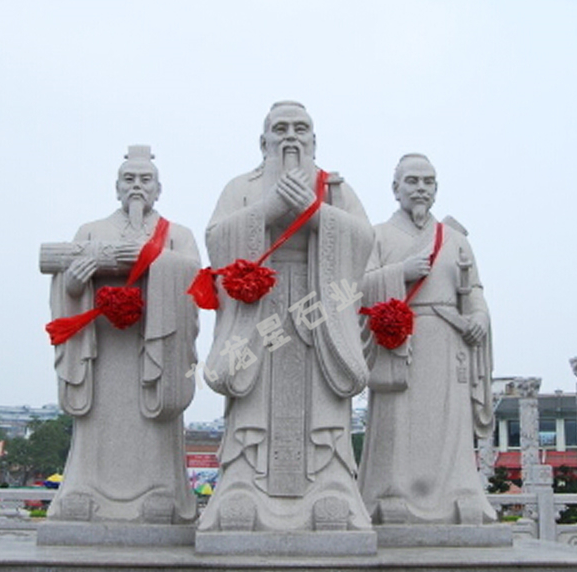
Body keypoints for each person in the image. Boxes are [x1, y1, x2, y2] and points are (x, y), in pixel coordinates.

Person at [197, 102, 374, 533]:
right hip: (259, 310)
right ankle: (243, 484)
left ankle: (330, 485)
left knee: (321, 406)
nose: (291, 136)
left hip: (320, 312)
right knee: (253, 403)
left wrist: (316, 212)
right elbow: (217, 240)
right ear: (264, 142)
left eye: (300, 128)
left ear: (314, 140)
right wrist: (270, 207)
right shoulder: (240, 187)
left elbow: (363, 241)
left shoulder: (335, 189)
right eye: (280, 129)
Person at [42, 146, 199, 523]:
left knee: (153, 421)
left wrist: (155, 262)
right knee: (99, 421)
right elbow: (66, 285)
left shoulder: (177, 235)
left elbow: (195, 283)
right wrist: (74, 282)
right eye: (129, 180)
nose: (137, 187)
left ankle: (160, 490)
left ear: (158, 189)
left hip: (153, 351)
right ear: (116, 188)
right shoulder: (91, 232)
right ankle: (86, 489)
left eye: (146, 180)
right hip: (103, 352)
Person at [358, 154, 496, 524]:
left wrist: (478, 317)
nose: (421, 188)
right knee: (397, 422)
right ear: (396, 188)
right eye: (413, 181)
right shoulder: (377, 236)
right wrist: (399, 272)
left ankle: (458, 494)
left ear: (436, 189)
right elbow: (358, 288)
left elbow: (475, 290)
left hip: (448, 341)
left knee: (449, 423)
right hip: (399, 342)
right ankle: (391, 493)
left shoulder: (455, 240)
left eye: (428, 182)